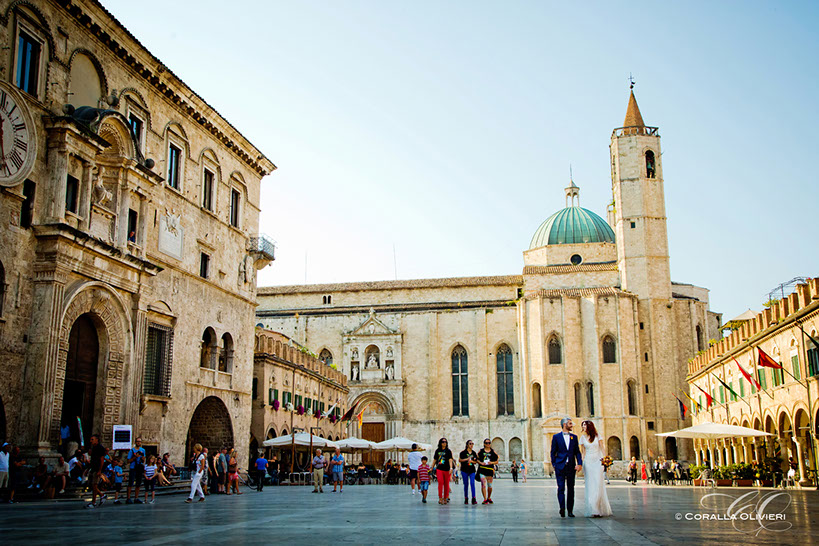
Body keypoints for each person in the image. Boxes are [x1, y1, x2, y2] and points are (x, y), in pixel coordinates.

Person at [550, 417, 582, 518]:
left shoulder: (574, 437)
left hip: (571, 466)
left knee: (571, 488)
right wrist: (554, 464)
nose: (572, 425)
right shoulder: (556, 437)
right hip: (560, 466)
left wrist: (579, 463)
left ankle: (570, 510)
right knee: (561, 488)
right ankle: (562, 508)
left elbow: (577, 452)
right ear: (565, 425)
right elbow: (553, 452)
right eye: (570, 423)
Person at [579, 420, 612, 518]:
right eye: (582, 425)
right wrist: (581, 463)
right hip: (588, 462)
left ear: (589, 426)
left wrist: (606, 459)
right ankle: (594, 509)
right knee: (590, 484)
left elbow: (602, 448)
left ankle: (597, 506)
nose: (583, 427)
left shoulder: (598, 436)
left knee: (598, 484)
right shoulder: (582, 438)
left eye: (584, 425)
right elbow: (583, 452)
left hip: (598, 461)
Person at [85, 434, 107, 509]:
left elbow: (102, 460)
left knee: (94, 485)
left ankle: (98, 498)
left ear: (97, 440)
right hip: (93, 468)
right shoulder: (93, 448)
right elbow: (92, 459)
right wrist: (88, 469)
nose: (91, 441)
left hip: (97, 469)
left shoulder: (100, 448)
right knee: (92, 485)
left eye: (92, 439)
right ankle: (98, 498)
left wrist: (100, 470)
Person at [476, 438, 499, 505]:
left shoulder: (493, 452)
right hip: (482, 469)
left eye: (489, 443)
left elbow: (497, 461)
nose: (488, 444)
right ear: (484, 444)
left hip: (489, 470)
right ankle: (485, 499)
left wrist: (491, 462)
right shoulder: (481, 451)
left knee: (489, 485)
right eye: (486, 443)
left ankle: (489, 497)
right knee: (483, 484)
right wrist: (480, 463)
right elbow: (476, 459)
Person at [433, 438, 455, 504]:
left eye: (445, 442)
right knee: (440, 482)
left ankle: (445, 498)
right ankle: (440, 498)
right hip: (439, 468)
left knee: (446, 484)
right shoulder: (437, 450)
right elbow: (435, 459)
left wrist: (451, 468)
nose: (444, 443)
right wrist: (432, 467)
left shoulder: (448, 451)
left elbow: (450, 460)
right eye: (442, 442)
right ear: (440, 443)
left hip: (446, 469)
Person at [126, 437, 146, 504]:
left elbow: (143, 460)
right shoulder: (131, 451)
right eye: (137, 441)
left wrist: (143, 458)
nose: (138, 443)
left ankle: (136, 498)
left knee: (138, 483)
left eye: (140, 441)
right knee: (131, 483)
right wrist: (135, 457)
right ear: (135, 442)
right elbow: (128, 460)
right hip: (133, 467)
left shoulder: (143, 450)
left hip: (139, 468)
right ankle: (128, 498)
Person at [458, 440, 478, 505]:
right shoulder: (463, 453)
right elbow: (460, 460)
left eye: (472, 444)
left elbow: (476, 461)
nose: (471, 445)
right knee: (466, 484)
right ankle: (466, 498)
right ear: (467, 445)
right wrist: (466, 459)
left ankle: (473, 498)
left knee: (472, 483)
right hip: (464, 470)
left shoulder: (474, 453)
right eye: (470, 444)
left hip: (472, 470)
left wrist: (472, 461)